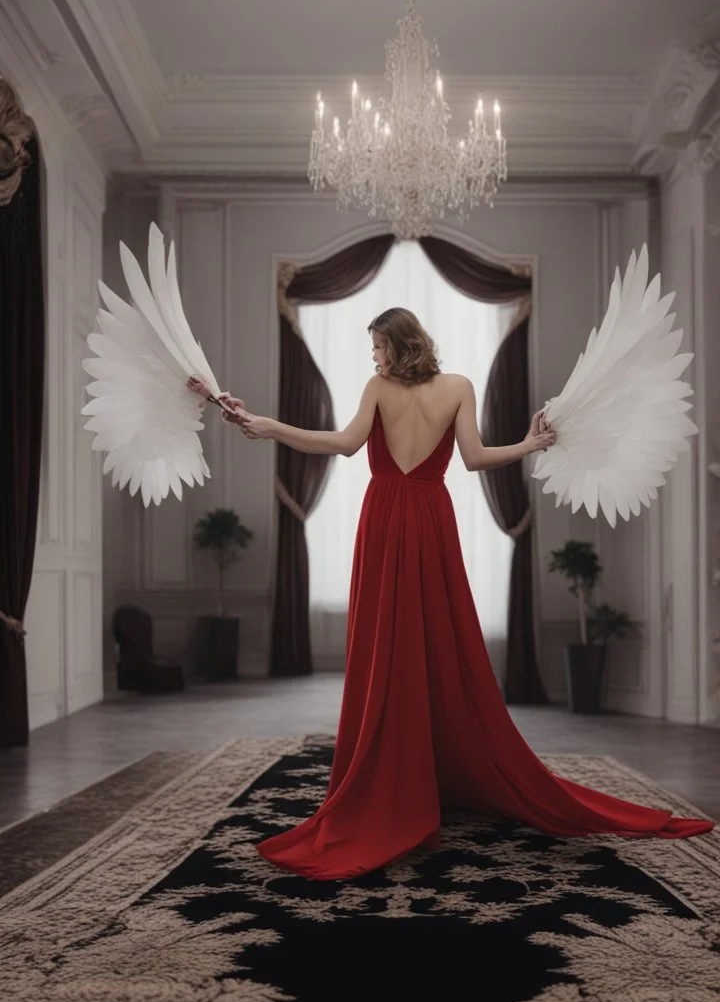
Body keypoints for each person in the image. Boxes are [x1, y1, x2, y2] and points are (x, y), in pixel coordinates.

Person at [187, 307, 714, 880]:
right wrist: (530, 445)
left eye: (379, 348)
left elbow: (341, 446)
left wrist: (268, 426)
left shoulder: (380, 390)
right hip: (431, 516)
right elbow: (476, 459)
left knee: (387, 635)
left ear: (398, 346)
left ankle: (398, 773)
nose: (375, 358)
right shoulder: (458, 386)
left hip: (386, 515)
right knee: (438, 633)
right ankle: (435, 766)